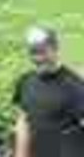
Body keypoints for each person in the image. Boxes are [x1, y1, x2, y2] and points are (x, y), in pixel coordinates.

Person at [13, 27, 84, 157]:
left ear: (56, 49)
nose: (38, 58)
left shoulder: (74, 85)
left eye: (43, 52)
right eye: (33, 52)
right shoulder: (25, 82)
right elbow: (23, 122)